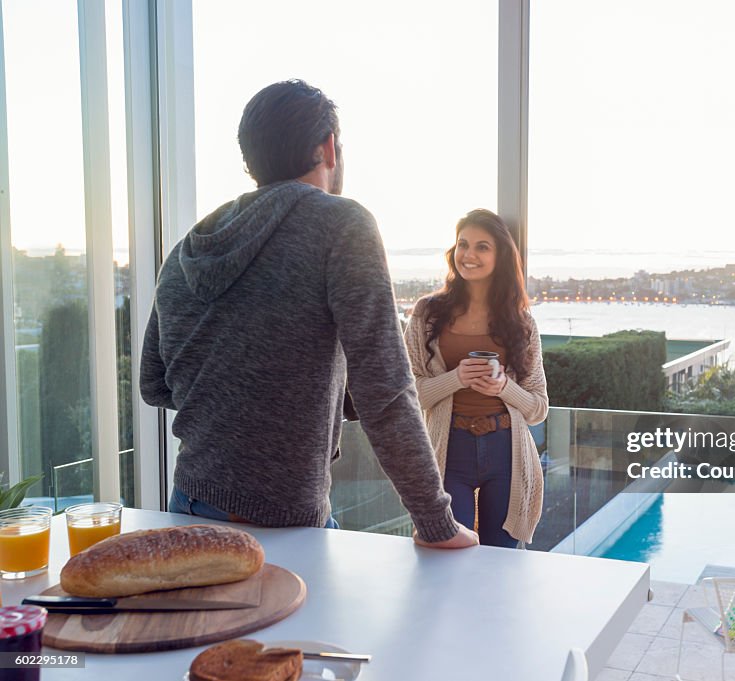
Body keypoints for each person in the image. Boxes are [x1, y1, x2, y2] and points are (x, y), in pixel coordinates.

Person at [140, 79, 476, 549]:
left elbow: (155, 385)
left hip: (188, 507)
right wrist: (436, 522)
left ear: (249, 160)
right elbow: (386, 390)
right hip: (282, 522)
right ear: (329, 149)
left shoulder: (185, 251)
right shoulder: (342, 224)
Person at [404, 209, 548, 547]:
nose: (469, 255)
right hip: (448, 449)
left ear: (500, 255)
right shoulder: (427, 313)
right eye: (463, 244)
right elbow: (407, 394)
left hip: (506, 452)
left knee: (502, 560)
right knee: (449, 552)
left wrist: (504, 388)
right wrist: (455, 378)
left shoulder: (522, 323)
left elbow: (538, 408)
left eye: (482, 247)